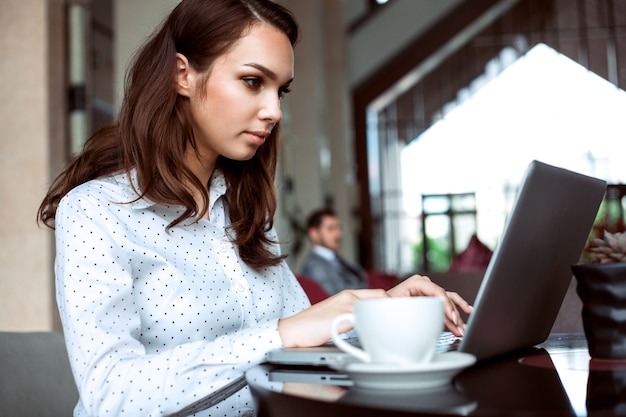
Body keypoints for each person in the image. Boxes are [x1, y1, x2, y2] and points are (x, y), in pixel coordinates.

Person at [37, 1, 472, 416]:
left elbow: (310, 345)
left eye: (280, 90)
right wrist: (281, 335)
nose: (274, 111)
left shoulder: (240, 210)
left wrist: (388, 312)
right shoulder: (96, 212)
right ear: (183, 75)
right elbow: (110, 397)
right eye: (252, 81)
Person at [300, 207, 368, 294]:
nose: (338, 234)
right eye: (331, 228)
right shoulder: (314, 267)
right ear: (314, 234)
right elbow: (333, 298)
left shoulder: (339, 260)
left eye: (339, 228)